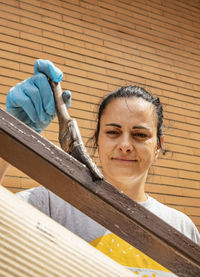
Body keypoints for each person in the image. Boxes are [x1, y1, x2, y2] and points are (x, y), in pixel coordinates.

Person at [0, 59, 199, 277]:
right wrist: (6, 140)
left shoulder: (182, 228)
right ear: (97, 139)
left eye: (140, 135)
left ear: (158, 146)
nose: (125, 145)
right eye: (113, 132)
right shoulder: (50, 204)